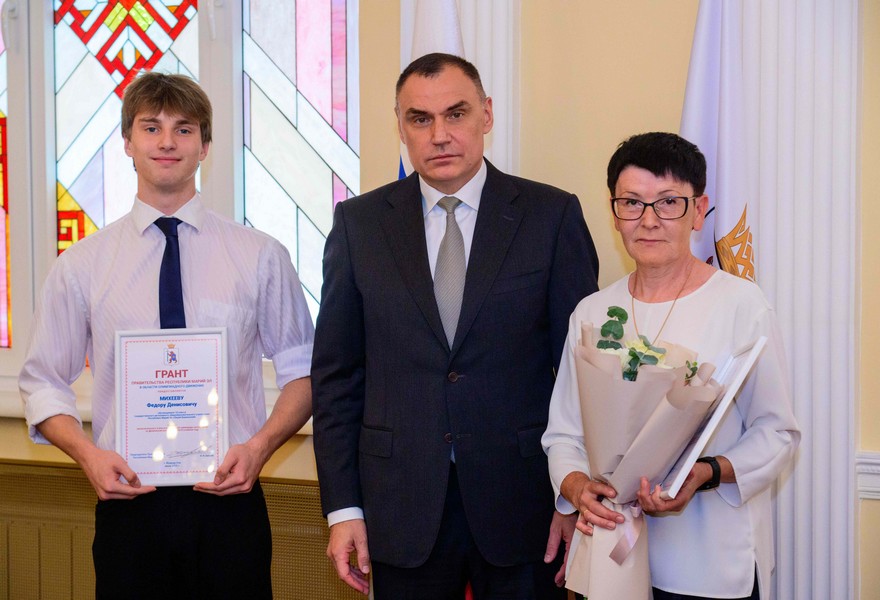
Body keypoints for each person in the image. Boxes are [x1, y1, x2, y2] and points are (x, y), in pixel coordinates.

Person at [311, 52, 600, 599]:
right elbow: (337, 378)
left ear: (486, 114)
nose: (439, 134)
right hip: (399, 506)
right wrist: (344, 510)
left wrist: (570, 494)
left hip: (525, 504)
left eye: (456, 114)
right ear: (400, 126)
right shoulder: (359, 225)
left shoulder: (550, 216)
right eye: (420, 118)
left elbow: (581, 373)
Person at [19, 72, 314, 599]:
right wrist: (88, 456)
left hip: (230, 502)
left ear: (205, 145)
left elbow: (304, 371)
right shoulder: (82, 265)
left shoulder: (260, 256)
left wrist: (260, 448)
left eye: (184, 129)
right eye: (151, 127)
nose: (167, 142)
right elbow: (42, 382)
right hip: (129, 505)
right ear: (128, 142)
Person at [542, 132, 800, 600]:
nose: (648, 220)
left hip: (707, 560)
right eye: (631, 203)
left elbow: (777, 433)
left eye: (667, 203)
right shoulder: (592, 312)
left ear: (698, 211)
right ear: (614, 212)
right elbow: (564, 433)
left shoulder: (741, 305)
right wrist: (577, 486)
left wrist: (705, 473)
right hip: (611, 557)